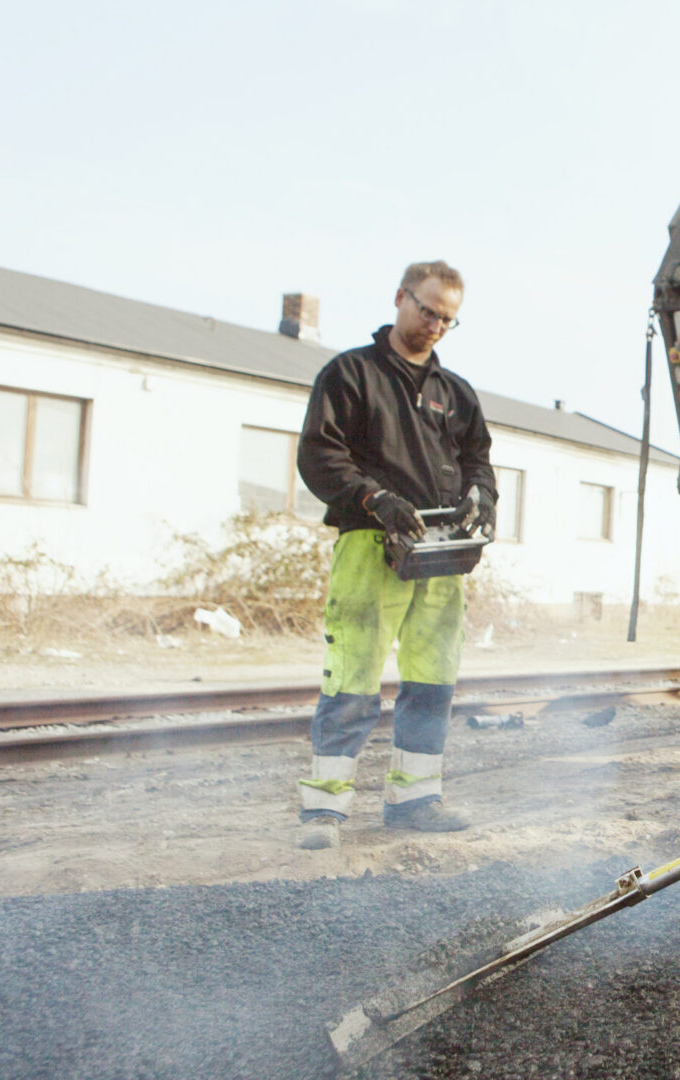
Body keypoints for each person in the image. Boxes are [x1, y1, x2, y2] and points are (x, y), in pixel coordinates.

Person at [292, 260, 497, 851]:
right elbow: (319, 454)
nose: (435, 324)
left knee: (432, 681)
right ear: (400, 298)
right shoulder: (350, 375)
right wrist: (375, 498)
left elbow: (478, 458)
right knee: (353, 676)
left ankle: (415, 800)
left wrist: (482, 495)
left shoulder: (454, 394)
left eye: (447, 319)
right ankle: (325, 812)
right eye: (428, 310)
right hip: (370, 542)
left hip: (441, 552)